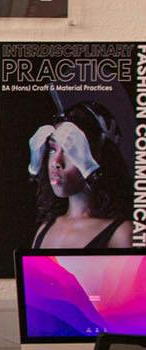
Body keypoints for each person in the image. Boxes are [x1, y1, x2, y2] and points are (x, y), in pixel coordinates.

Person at [29, 100, 130, 250]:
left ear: (98, 155)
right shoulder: (43, 231)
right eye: (52, 149)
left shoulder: (123, 234)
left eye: (71, 149)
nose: (56, 162)